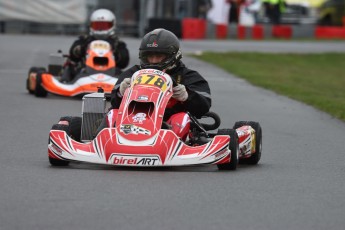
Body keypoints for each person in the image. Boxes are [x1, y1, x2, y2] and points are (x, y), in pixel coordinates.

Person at [98, 28, 211, 140]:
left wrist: (187, 96)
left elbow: (204, 106)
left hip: (169, 123)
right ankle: (99, 142)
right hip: (132, 119)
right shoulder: (133, 73)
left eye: (159, 56)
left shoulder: (187, 76)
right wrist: (120, 92)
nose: (153, 61)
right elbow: (114, 102)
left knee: (181, 118)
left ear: (173, 56)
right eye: (150, 56)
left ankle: (175, 145)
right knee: (113, 113)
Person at [61, 9, 130, 82]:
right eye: (97, 25)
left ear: (112, 25)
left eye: (104, 26)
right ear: (91, 25)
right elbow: (73, 55)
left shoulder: (117, 43)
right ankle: (65, 82)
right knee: (70, 66)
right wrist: (80, 49)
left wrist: (116, 54)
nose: (100, 29)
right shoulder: (84, 40)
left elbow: (124, 63)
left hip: (111, 73)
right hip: (85, 71)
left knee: (123, 74)